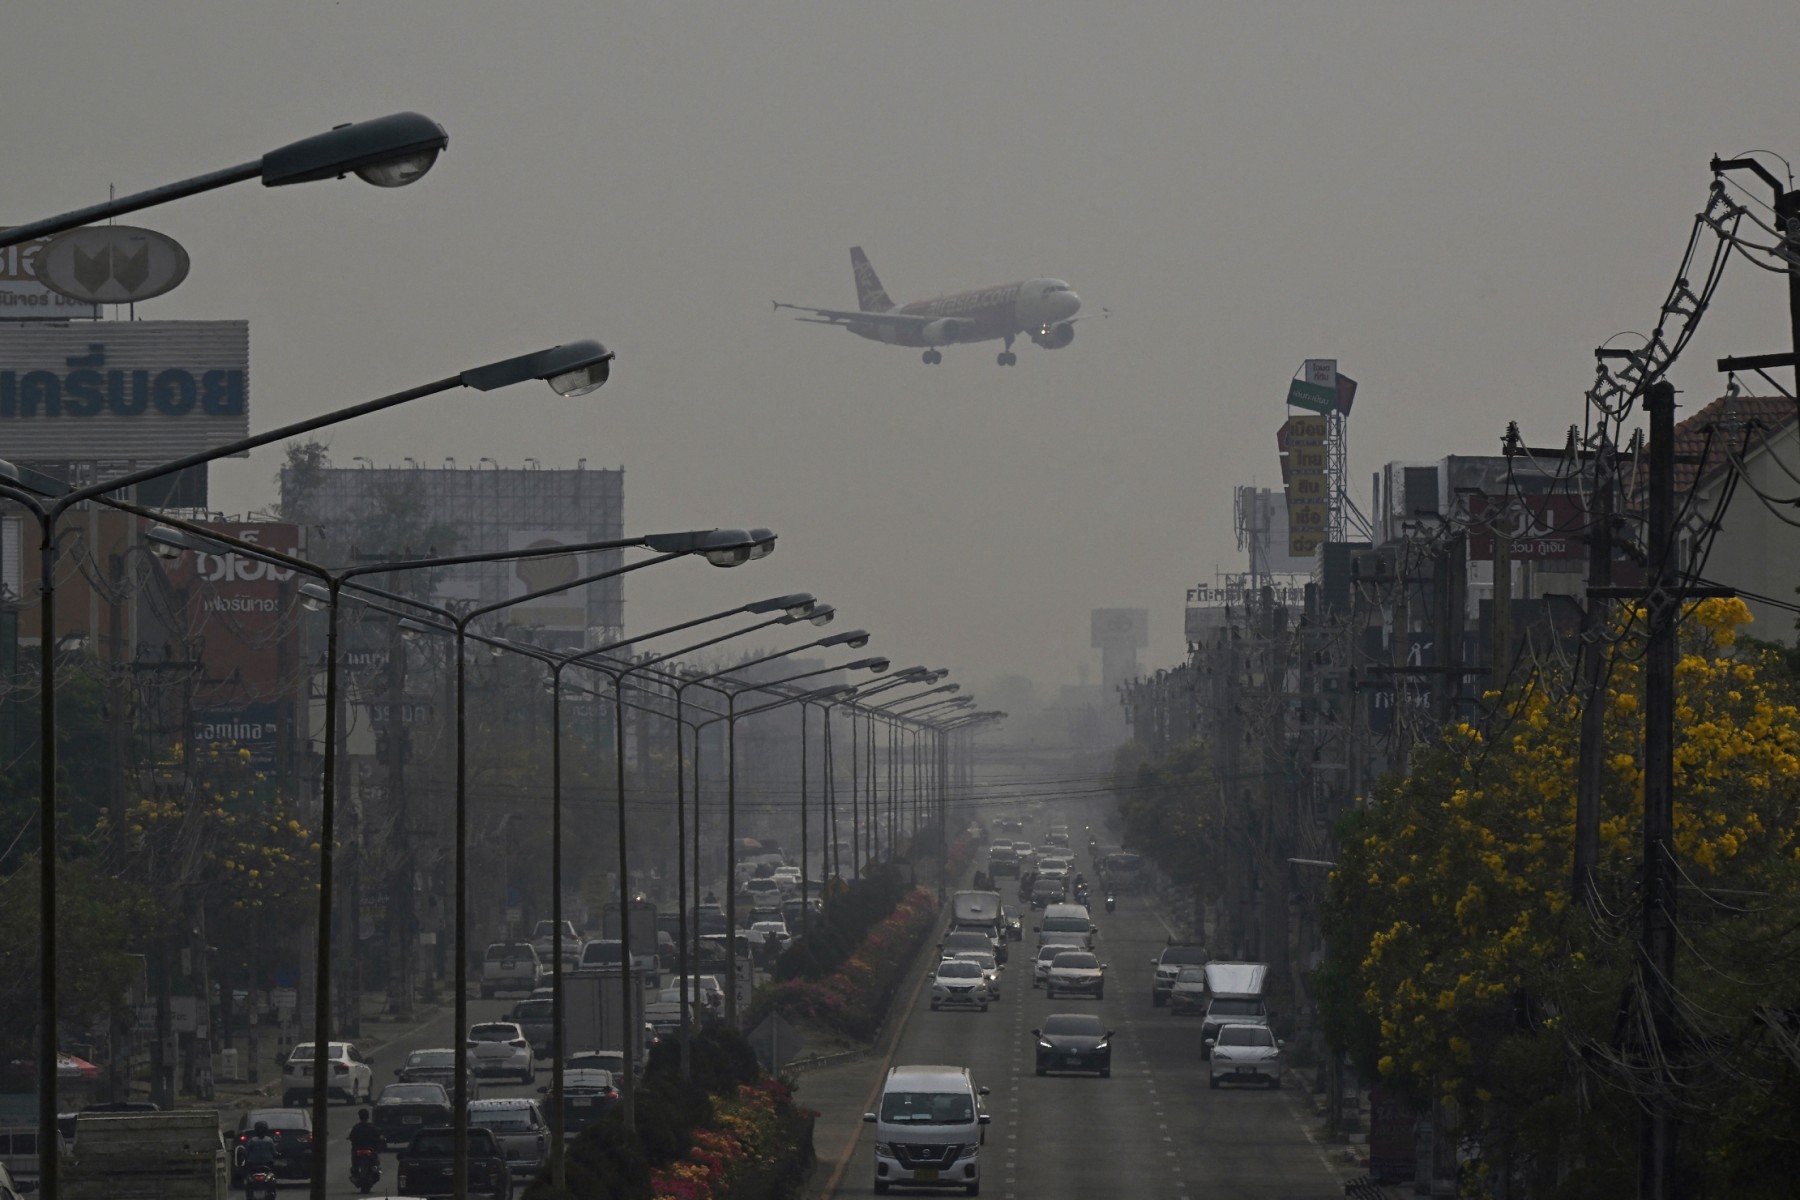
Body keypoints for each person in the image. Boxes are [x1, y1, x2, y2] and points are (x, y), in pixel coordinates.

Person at [240, 1120, 278, 1190]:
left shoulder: (252, 1140)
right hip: (267, 1163)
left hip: (253, 1164)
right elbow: (274, 1152)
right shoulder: (269, 1140)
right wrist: (279, 1155)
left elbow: (246, 1152)